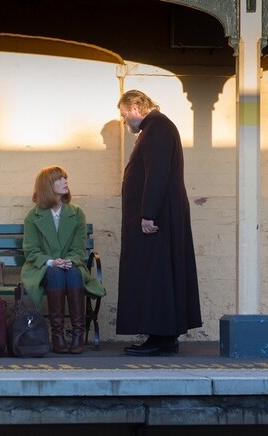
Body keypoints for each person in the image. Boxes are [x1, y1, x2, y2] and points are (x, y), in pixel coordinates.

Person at [116, 89, 202, 356]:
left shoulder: (157, 128)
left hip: (157, 215)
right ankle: (164, 336)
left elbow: (157, 174)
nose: (124, 120)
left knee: (155, 273)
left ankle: (159, 337)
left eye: (123, 114)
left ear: (134, 108)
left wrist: (148, 214)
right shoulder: (156, 128)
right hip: (161, 213)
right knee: (159, 273)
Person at [20, 165, 88, 354]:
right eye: (59, 179)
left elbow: (78, 248)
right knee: (56, 273)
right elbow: (31, 251)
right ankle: (57, 336)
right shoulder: (33, 216)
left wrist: (70, 261)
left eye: (65, 178)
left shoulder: (76, 213)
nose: (65, 181)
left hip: (71, 266)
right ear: (47, 186)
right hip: (43, 268)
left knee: (73, 273)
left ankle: (77, 336)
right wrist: (52, 262)